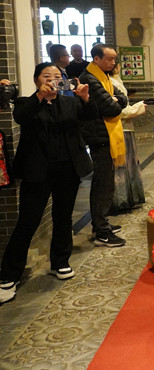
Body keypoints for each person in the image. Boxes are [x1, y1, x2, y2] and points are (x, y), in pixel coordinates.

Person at [0, 64, 94, 304]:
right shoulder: (26, 102)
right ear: (36, 80)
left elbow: (89, 118)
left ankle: (60, 262)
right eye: (46, 76)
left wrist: (85, 99)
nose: (52, 80)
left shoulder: (69, 101)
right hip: (37, 171)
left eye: (57, 76)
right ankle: (9, 276)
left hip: (67, 169)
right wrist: (40, 97)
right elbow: (21, 118)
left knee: (63, 217)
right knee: (28, 221)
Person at [78, 43, 127, 247]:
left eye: (114, 58)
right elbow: (112, 108)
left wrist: (117, 99)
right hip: (99, 138)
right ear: (96, 59)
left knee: (107, 184)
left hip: (106, 136)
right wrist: (116, 101)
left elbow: (122, 98)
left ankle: (102, 222)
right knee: (102, 184)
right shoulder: (89, 79)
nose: (113, 62)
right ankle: (101, 231)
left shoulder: (104, 77)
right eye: (109, 58)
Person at [109, 61, 147, 214]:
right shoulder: (109, 82)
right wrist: (137, 108)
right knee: (121, 166)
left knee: (130, 165)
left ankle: (130, 198)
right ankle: (121, 200)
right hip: (118, 129)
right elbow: (120, 110)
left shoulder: (116, 79)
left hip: (126, 128)